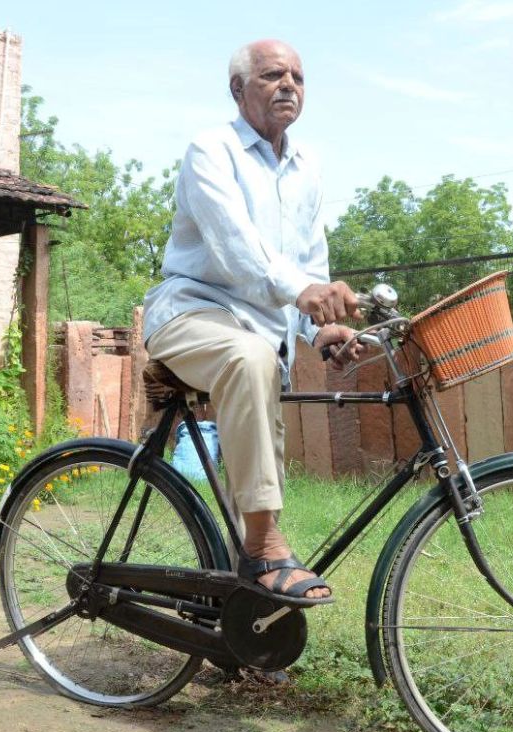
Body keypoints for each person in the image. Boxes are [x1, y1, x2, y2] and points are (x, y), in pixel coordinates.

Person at [142, 39, 362, 604]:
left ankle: (251, 635)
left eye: (298, 76)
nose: (289, 84)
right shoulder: (211, 149)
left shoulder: (308, 166)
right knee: (250, 358)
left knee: (261, 467)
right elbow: (236, 249)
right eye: (272, 74)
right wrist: (303, 292)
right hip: (192, 311)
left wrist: (319, 329)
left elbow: (311, 261)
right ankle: (265, 546)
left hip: (261, 339)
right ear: (239, 89)